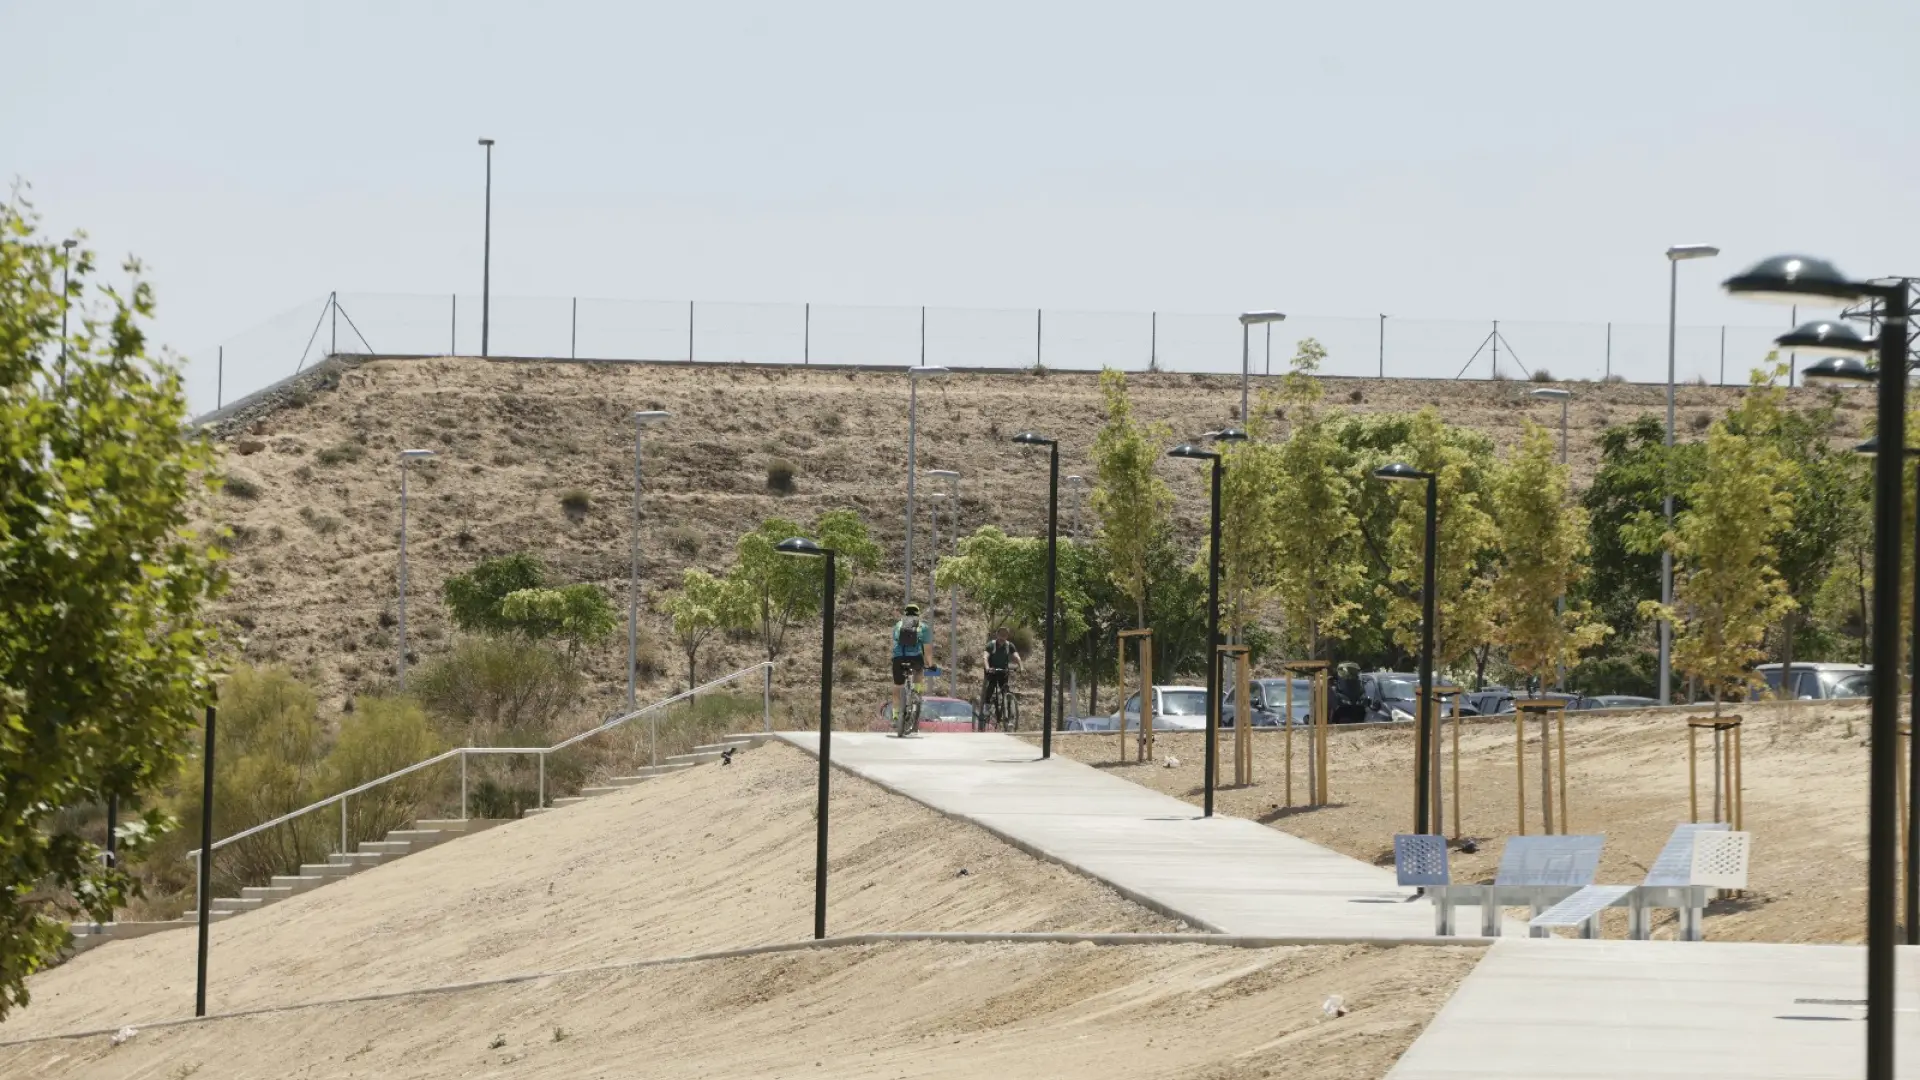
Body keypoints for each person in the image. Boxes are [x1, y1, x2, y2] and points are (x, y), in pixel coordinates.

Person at [890, 604, 932, 732]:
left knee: (898, 686)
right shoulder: (923, 627)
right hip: (915, 658)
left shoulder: (898, 625)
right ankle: (916, 693)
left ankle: (896, 715)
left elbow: (895, 641)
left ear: (905, 613)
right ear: (918, 614)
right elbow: (927, 649)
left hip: (898, 658)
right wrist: (930, 664)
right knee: (919, 671)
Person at [981, 627, 1022, 726]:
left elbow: (1017, 657)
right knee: (991, 685)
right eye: (1001, 634)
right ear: (997, 634)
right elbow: (985, 657)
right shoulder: (991, 645)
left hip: (1003, 671)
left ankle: (1009, 718)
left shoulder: (1009, 645)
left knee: (1006, 692)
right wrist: (987, 667)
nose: (1002, 637)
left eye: (1005, 635)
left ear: (1007, 636)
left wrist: (1021, 667)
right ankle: (986, 707)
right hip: (992, 670)